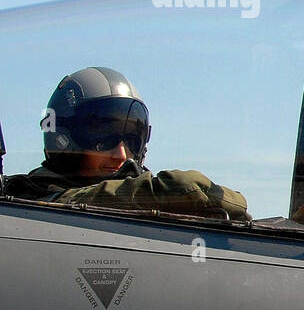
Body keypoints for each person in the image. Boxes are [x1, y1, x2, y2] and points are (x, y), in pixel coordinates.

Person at [1, 66, 250, 220]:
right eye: (103, 137)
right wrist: (183, 191)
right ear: (63, 136)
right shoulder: (26, 204)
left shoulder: (145, 204)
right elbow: (184, 187)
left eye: (132, 139)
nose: (121, 154)